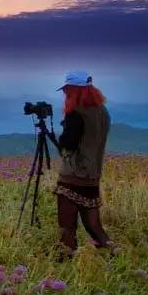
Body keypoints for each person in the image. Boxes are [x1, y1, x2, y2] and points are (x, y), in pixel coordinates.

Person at [51, 70, 112, 257]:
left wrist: (60, 137)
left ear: (75, 90)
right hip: (92, 175)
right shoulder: (103, 112)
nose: (65, 94)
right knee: (94, 224)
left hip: (73, 175)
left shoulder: (76, 113)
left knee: (67, 225)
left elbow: (68, 143)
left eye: (67, 90)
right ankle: (113, 254)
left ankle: (65, 258)